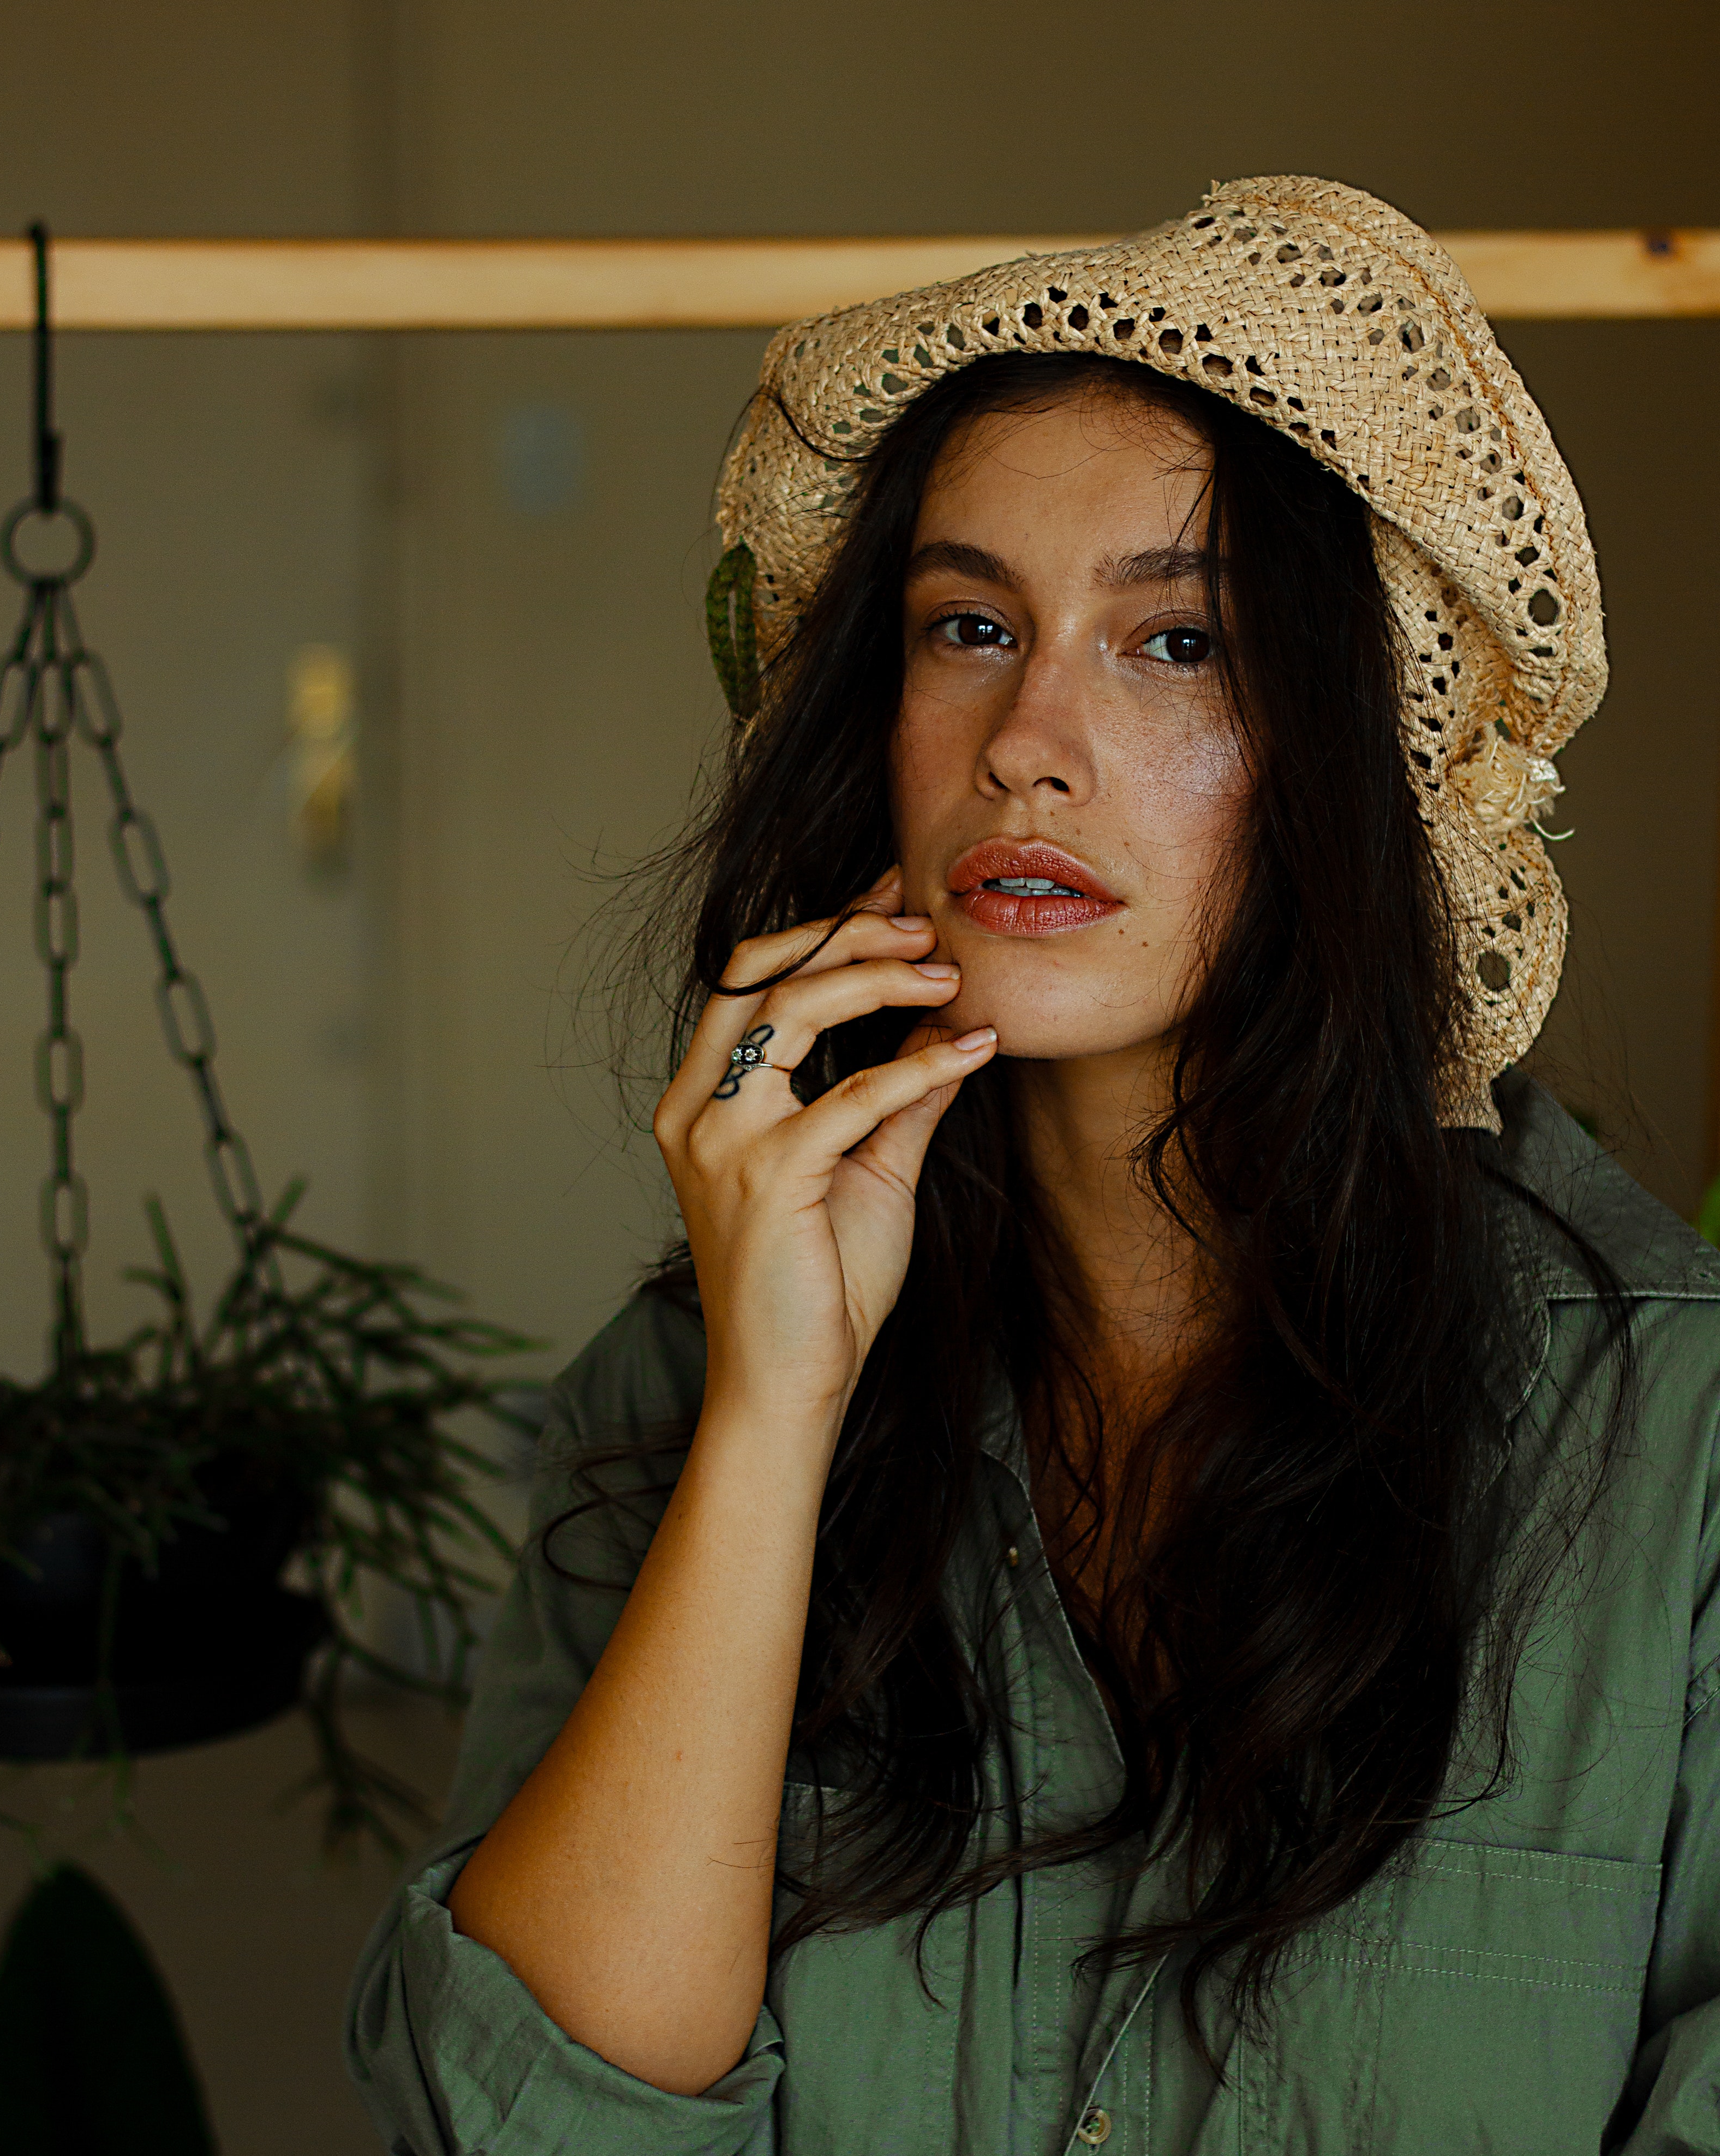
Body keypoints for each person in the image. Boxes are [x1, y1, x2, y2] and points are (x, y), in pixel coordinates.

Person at [346, 177, 1720, 2155]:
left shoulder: (1673, 1439)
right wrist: (770, 1419)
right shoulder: (680, 1389)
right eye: (968, 628)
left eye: (1179, 642)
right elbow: (530, 2127)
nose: (1027, 740)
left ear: (1368, 753)